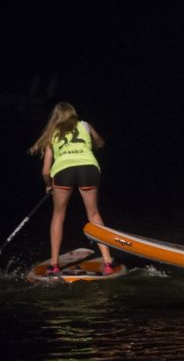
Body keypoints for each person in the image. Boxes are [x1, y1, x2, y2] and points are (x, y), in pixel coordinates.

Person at [27, 102, 117, 274]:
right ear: (73, 114)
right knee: (94, 214)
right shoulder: (85, 125)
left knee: (58, 215)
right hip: (88, 167)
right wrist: (91, 145)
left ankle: (54, 265)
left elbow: (46, 171)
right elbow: (100, 143)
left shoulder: (52, 134)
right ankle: (107, 262)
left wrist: (48, 185)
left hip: (63, 171)